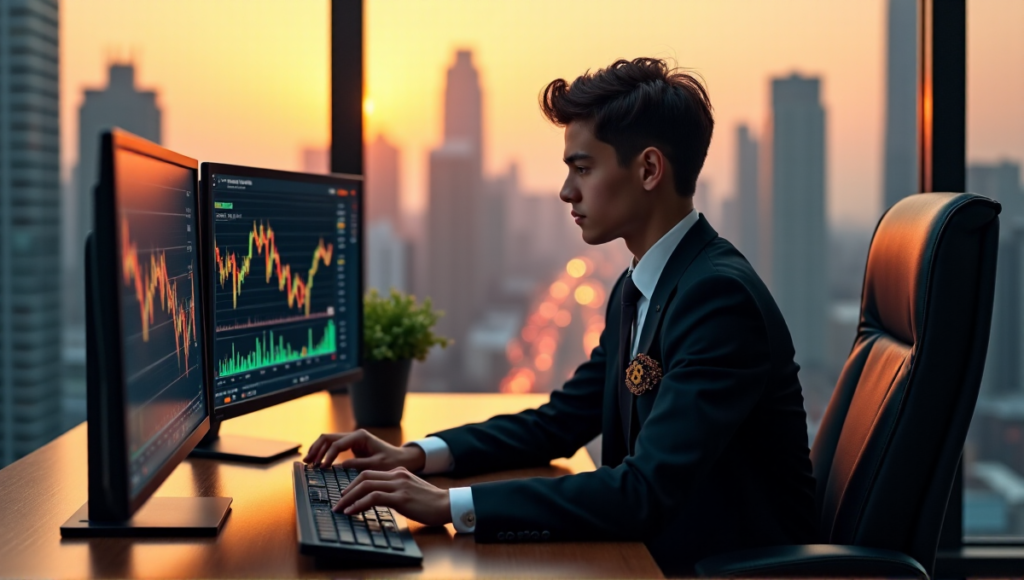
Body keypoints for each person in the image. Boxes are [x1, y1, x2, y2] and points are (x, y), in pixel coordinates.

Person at [304, 57, 816, 576]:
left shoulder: (717, 299)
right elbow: (559, 422)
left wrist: (451, 505)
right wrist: (414, 456)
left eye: (583, 167)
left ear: (648, 170)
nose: (566, 190)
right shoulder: (638, 287)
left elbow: (644, 490)